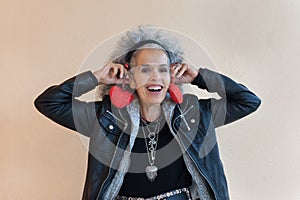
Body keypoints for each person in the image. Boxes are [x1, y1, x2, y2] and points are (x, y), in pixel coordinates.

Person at [34, 26, 261, 200]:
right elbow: (49, 104)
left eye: (163, 69)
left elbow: (248, 101)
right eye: (145, 70)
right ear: (130, 78)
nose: (155, 77)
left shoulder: (195, 113)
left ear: (172, 76)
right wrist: (96, 77)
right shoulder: (106, 117)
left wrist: (200, 77)